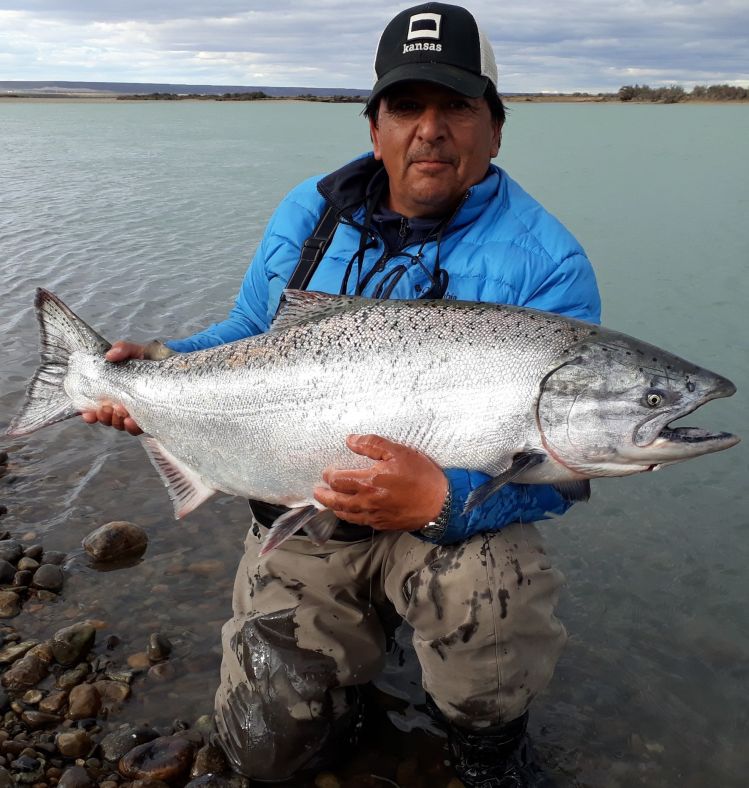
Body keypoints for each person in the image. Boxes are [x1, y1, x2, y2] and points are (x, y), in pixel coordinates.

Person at [83, 3, 601, 785]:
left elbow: (564, 473)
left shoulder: (549, 265)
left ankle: (485, 741)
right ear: (374, 128)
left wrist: (441, 501)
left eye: (456, 106)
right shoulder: (308, 213)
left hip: (455, 531)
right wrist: (154, 368)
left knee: (493, 587)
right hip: (307, 515)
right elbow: (245, 336)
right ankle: (346, 683)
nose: (430, 128)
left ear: (495, 128)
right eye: (406, 106)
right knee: (267, 752)